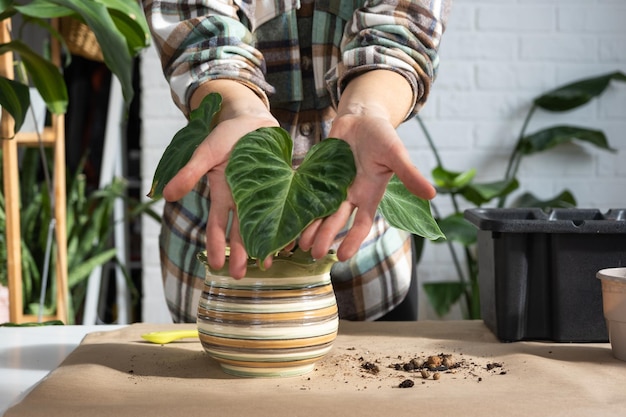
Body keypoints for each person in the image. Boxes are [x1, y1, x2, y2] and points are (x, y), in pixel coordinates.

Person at [142, 0, 451, 323]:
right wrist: (240, 110)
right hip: (221, 256)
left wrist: (366, 108)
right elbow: (200, 35)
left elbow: (403, 28)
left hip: (368, 259)